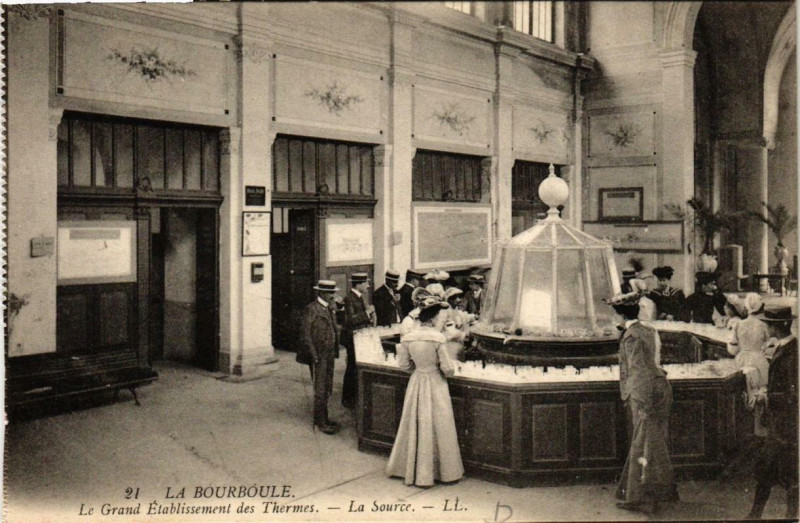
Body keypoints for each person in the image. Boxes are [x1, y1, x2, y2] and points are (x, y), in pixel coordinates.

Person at [606, 291, 676, 514]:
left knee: (642, 443)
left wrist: (642, 404)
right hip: (660, 388)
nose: (613, 320)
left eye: (614, 315)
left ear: (621, 316)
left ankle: (640, 497)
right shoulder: (649, 329)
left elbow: (639, 372)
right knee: (653, 441)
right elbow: (655, 363)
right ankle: (660, 492)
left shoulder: (631, 336)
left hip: (646, 392)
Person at [386, 296, 464, 487]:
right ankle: (442, 472)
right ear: (433, 318)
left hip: (417, 382)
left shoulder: (408, 337)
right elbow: (447, 368)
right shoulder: (437, 338)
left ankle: (412, 470)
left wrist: (419, 370)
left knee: (414, 423)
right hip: (436, 383)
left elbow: (404, 365)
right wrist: (452, 369)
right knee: (439, 423)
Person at [748, 306, 798, 519]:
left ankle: (790, 517)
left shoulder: (793, 354)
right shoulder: (785, 347)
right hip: (780, 423)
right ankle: (755, 515)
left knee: (787, 473)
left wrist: (766, 397)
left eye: (768, 324)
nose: (766, 328)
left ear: (779, 327)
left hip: (787, 425)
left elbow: (794, 396)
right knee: (768, 469)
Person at [298, 280, 341, 435]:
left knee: (328, 387)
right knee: (320, 388)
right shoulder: (312, 309)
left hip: (328, 353)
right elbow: (305, 334)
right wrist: (313, 355)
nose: (333, 295)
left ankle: (325, 417)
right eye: (331, 293)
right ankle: (320, 422)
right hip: (319, 355)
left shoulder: (329, 308)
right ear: (322, 293)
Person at [727, 293, 770, 436]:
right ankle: (759, 431)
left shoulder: (738, 324)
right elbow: (770, 346)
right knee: (759, 395)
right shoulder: (764, 325)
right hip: (759, 360)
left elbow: (732, 349)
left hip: (742, 359)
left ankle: (742, 432)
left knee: (742, 394)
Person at [342, 273, 374, 409]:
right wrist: (367, 313)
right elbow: (350, 320)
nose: (368, 286)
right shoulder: (349, 298)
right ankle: (348, 399)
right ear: (358, 284)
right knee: (352, 368)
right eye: (366, 283)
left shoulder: (359, 297)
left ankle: (353, 397)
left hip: (359, 337)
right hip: (353, 338)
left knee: (355, 367)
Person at [443, 287, 470, 361]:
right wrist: (464, 335)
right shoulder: (446, 312)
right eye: (455, 298)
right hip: (450, 344)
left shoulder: (456, 311)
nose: (458, 300)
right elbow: (449, 332)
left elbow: (465, 318)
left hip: (459, 344)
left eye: (459, 297)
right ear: (449, 299)